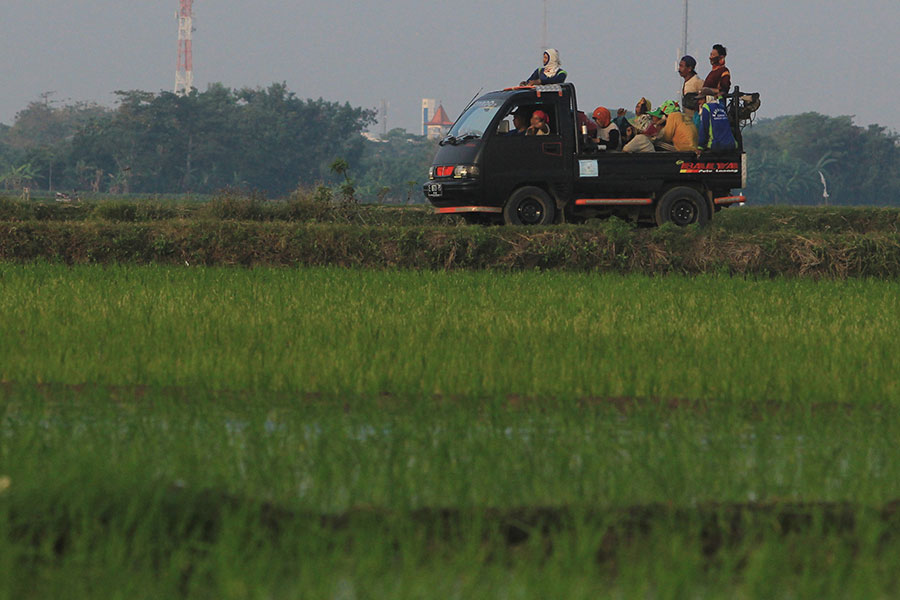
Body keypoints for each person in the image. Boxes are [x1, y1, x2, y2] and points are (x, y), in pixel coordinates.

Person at [678, 55, 704, 123]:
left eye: (681, 66)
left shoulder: (697, 81)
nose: (679, 69)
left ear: (689, 69)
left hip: (695, 120)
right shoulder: (687, 82)